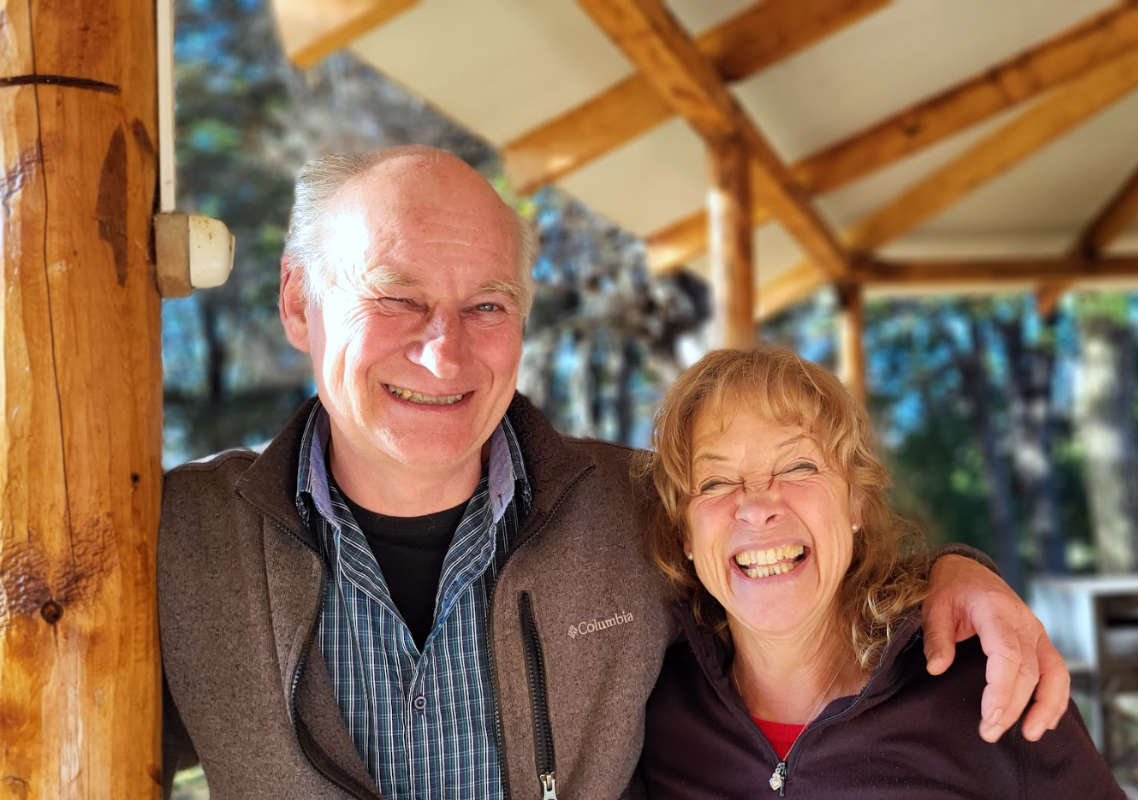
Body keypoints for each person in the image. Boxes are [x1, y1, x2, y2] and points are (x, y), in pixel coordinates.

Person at [158, 146, 1071, 800]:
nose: (444, 354)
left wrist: (957, 573)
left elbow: (800, 566)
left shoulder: (641, 510)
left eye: (487, 305)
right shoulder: (177, 537)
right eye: (396, 298)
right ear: (297, 302)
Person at [637, 347, 1122, 798]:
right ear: (686, 534)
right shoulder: (654, 709)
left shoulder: (988, 680)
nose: (758, 506)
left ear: (857, 503)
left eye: (798, 467)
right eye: (717, 481)